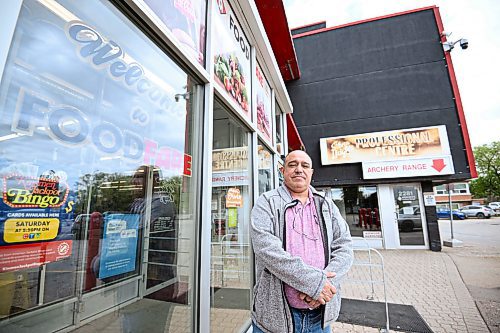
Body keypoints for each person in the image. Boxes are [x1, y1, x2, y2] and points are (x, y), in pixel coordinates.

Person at [250, 150, 353, 333]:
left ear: (311, 173)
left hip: (320, 316)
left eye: (304, 165)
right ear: (282, 171)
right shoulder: (266, 203)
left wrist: (324, 286)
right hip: (276, 320)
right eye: (292, 165)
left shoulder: (326, 204)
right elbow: (267, 250)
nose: (299, 169)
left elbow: (344, 245)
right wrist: (314, 284)